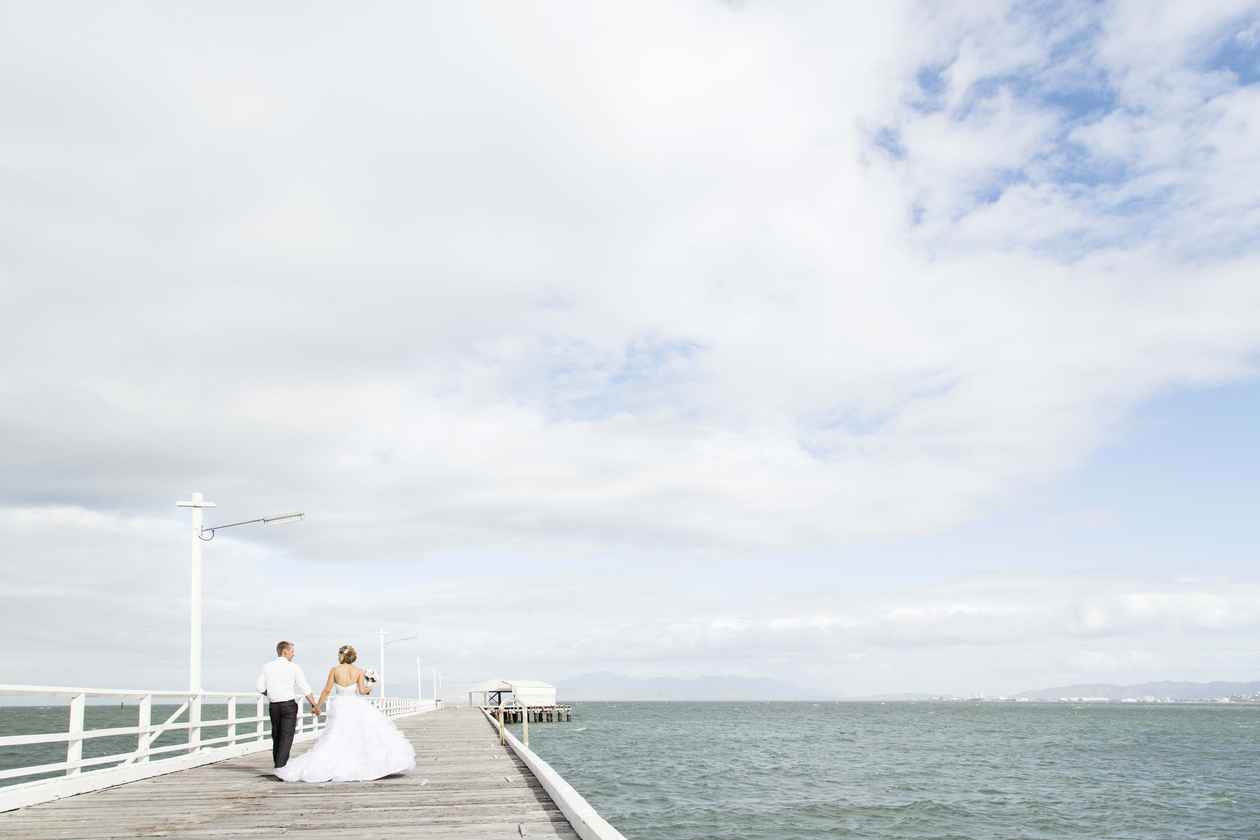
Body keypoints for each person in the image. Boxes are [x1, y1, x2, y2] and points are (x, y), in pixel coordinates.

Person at [275, 643, 416, 783]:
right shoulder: (358, 671)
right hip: (355, 705)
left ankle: (335, 763)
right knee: (357, 736)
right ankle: (358, 764)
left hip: (340, 706)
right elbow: (362, 691)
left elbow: (326, 690)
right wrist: (371, 685)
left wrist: (317, 706)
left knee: (336, 735)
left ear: (342, 656)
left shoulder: (335, 670)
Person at [256, 640, 321, 769]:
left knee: (277, 735)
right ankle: (280, 767)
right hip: (288, 706)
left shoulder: (267, 666)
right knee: (286, 736)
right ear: (285, 651)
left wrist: (270, 694)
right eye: (292, 651)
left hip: (274, 705)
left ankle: (278, 764)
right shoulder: (294, 667)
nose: (293, 654)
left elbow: (259, 687)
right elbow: (304, 687)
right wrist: (314, 704)